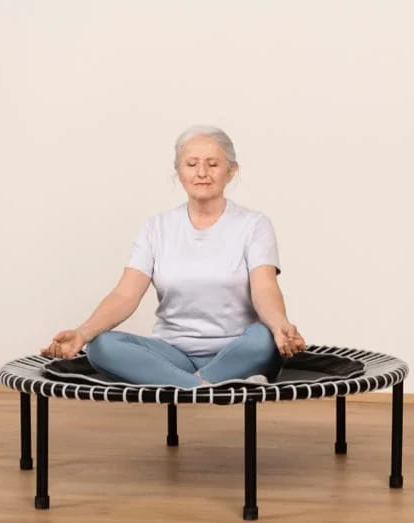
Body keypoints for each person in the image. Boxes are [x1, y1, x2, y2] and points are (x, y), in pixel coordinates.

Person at [41, 125, 306, 388]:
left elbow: (265, 289)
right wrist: (82, 333)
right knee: (100, 346)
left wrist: (280, 326)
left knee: (263, 339)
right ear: (178, 171)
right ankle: (202, 386)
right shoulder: (156, 227)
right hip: (172, 355)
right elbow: (125, 295)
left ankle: (185, 384)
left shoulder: (254, 225)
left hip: (238, 351)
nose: (202, 173)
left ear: (231, 171)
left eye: (213, 164)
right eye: (191, 164)